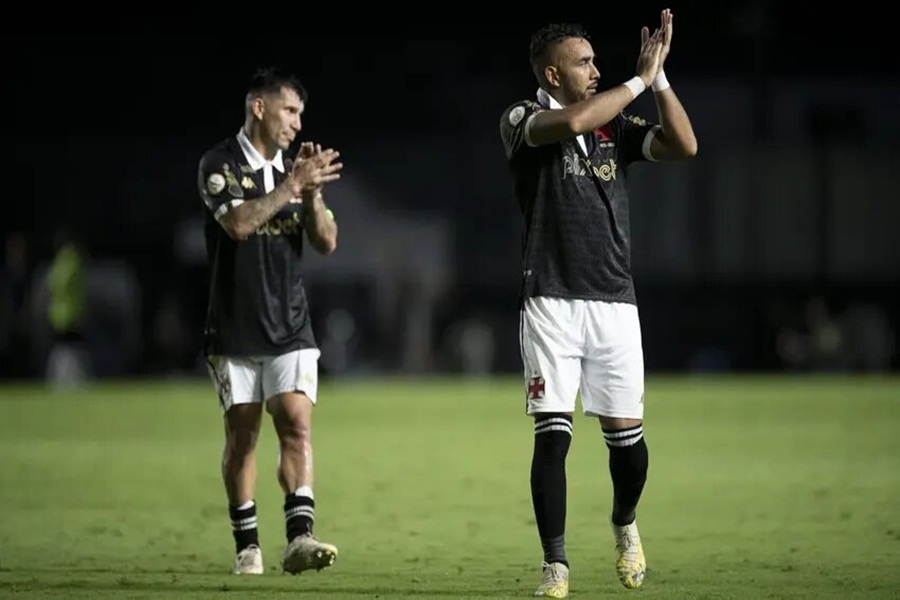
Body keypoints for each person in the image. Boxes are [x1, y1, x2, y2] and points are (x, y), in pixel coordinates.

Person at [499, 11, 697, 597]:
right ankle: (555, 566)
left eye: (594, 60)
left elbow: (684, 145)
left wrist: (659, 80)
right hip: (550, 299)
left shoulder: (617, 125)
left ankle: (625, 522)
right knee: (552, 437)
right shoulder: (523, 118)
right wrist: (638, 81)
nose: (595, 69)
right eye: (583, 62)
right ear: (552, 74)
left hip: (614, 301)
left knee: (628, 449)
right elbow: (576, 120)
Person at [196, 65, 344, 576]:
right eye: (290, 110)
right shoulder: (219, 163)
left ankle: (300, 537)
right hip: (234, 327)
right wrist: (291, 186)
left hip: (291, 325)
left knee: (296, 425)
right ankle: (247, 546)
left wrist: (311, 193)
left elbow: (326, 242)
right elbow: (238, 224)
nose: (298, 123)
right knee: (242, 438)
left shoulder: (294, 171)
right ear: (259, 107)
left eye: (301, 113)